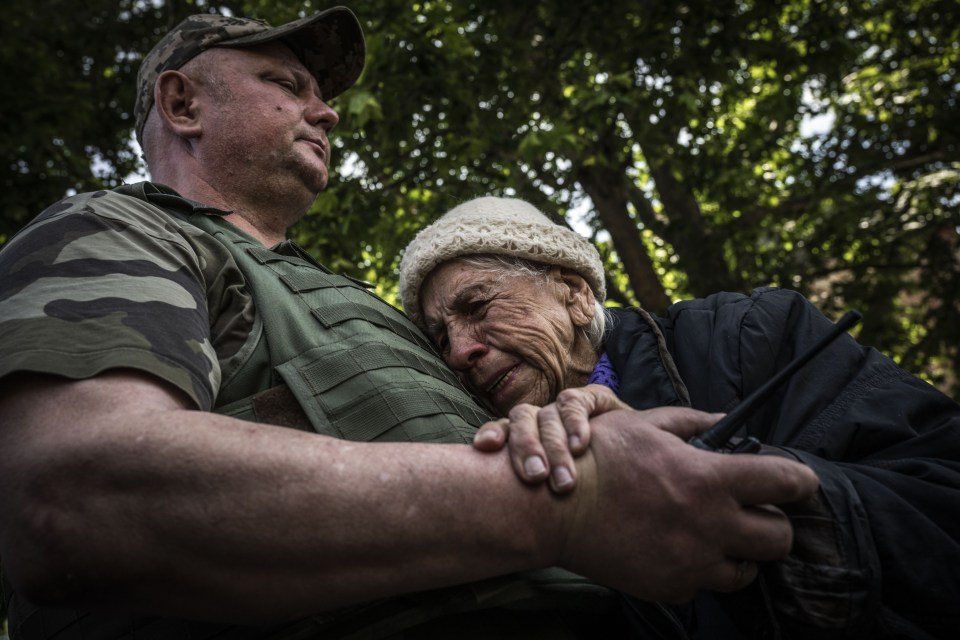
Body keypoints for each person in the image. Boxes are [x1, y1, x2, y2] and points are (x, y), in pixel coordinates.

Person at [0, 9, 821, 640]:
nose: (324, 113)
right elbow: (71, 495)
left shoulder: (362, 308)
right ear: (183, 102)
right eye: (288, 84)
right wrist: (563, 512)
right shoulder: (121, 229)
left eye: (324, 97)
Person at [397, 194, 960, 640]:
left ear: (572, 294)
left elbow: (940, 497)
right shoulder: (494, 456)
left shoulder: (749, 336)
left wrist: (707, 475)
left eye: (477, 307)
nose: (459, 351)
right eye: (441, 336)